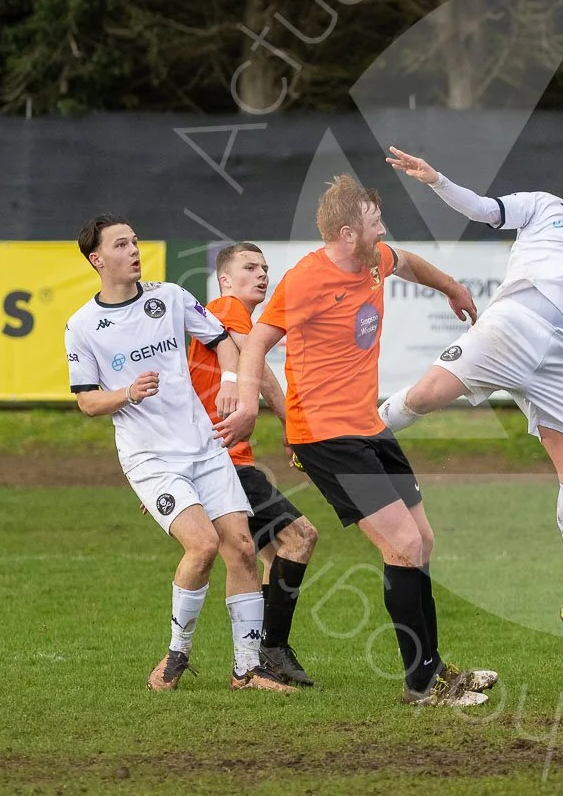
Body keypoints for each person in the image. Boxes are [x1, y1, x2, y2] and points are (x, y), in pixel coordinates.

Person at [216, 175, 498, 706]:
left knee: (422, 543)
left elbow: (408, 261)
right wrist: (249, 401)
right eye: (374, 221)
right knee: (403, 545)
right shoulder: (305, 281)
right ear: (348, 232)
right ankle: (421, 685)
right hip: (326, 435)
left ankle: (434, 669)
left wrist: (454, 289)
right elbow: (256, 342)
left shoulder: (372, 260)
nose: (383, 229)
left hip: (368, 426)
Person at [378, 142, 563, 645]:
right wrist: (436, 179)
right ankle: (338, 435)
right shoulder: (545, 207)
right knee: (427, 396)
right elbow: (482, 208)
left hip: (559, 357)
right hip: (514, 324)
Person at [64, 214, 293, 693]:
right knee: (203, 545)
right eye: (121, 244)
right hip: (151, 458)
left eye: (134, 240)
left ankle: (247, 670)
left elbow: (223, 343)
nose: (133, 249)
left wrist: (230, 383)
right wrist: (127, 392)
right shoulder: (83, 326)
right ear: (97, 259)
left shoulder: (168, 297)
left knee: (244, 548)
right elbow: (86, 400)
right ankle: (177, 654)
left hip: (205, 448)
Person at [188, 241, 320, 687]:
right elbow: (255, 365)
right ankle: (271, 649)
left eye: (265, 268)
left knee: (269, 553)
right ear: (225, 279)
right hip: (222, 460)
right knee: (299, 537)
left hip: (221, 458)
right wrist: (292, 422)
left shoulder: (229, 316)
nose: (262, 274)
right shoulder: (226, 307)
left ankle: (258, 657)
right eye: (249, 267)